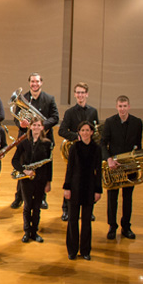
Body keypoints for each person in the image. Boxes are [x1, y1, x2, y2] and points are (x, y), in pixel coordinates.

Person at [10, 73, 59, 210]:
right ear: (29, 83)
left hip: (44, 138)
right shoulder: (23, 98)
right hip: (26, 138)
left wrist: (41, 125)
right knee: (23, 166)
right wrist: (22, 124)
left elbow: (55, 117)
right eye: (32, 81)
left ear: (41, 83)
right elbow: (16, 118)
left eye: (37, 81)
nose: (34, 84)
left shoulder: (49, 99)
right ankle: (19, 197)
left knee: (42, 168)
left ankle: (42, 198)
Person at [102, 95, 143, 241]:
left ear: (129, 107)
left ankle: (126, 227)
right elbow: (103, 143)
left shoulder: (137, 123)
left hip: (129, 166)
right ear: (116, 107)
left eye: (125, 106)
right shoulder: (109, 122)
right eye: (120, 106)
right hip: (114, 166)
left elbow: (139, 145)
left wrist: (137, 161)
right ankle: (112, 227)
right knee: (112, 198)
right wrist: (109, 159)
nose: (122, 109)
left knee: (128, 198)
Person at [57, 82, 99, 221]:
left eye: (83, 92)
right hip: (75, 151)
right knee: (71, 178)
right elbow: (61, 130)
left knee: (88, 178)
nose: (80, 95)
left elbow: (96, 131)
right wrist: (78, 137)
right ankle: (66, 209)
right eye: (78, 92)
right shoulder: (70, 112)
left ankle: (88, 208)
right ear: (75, 94)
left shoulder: (93, 111)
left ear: (86, 94)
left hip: (89, 151)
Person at [63, 121, 103, 260]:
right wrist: (67, 187)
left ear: (92, 132)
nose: (85, 132)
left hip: (89, 187)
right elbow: (70, 169)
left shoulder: (97, 149)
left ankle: (85, 251)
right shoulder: (74, 148)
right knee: (72, 220)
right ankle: (72, 250)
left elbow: (99, 170)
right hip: (74, 187)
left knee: (86, 221)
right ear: (79, 132)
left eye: (88, 130)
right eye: (82, 130)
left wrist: (98, 190)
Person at [12, 118, 53, 243]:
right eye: (33, 125)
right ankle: (26, 232)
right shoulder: (24, 142)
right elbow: (14, 160)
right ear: (30, 127)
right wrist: (24, 170)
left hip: (40, 180)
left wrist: (48, 182)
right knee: (27, 206)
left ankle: (34, 232)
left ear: (42, 128)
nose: (35, 127)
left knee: (36, 207)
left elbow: (49, 165)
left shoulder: (47, 143)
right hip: (26, 179)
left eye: (38, 125)